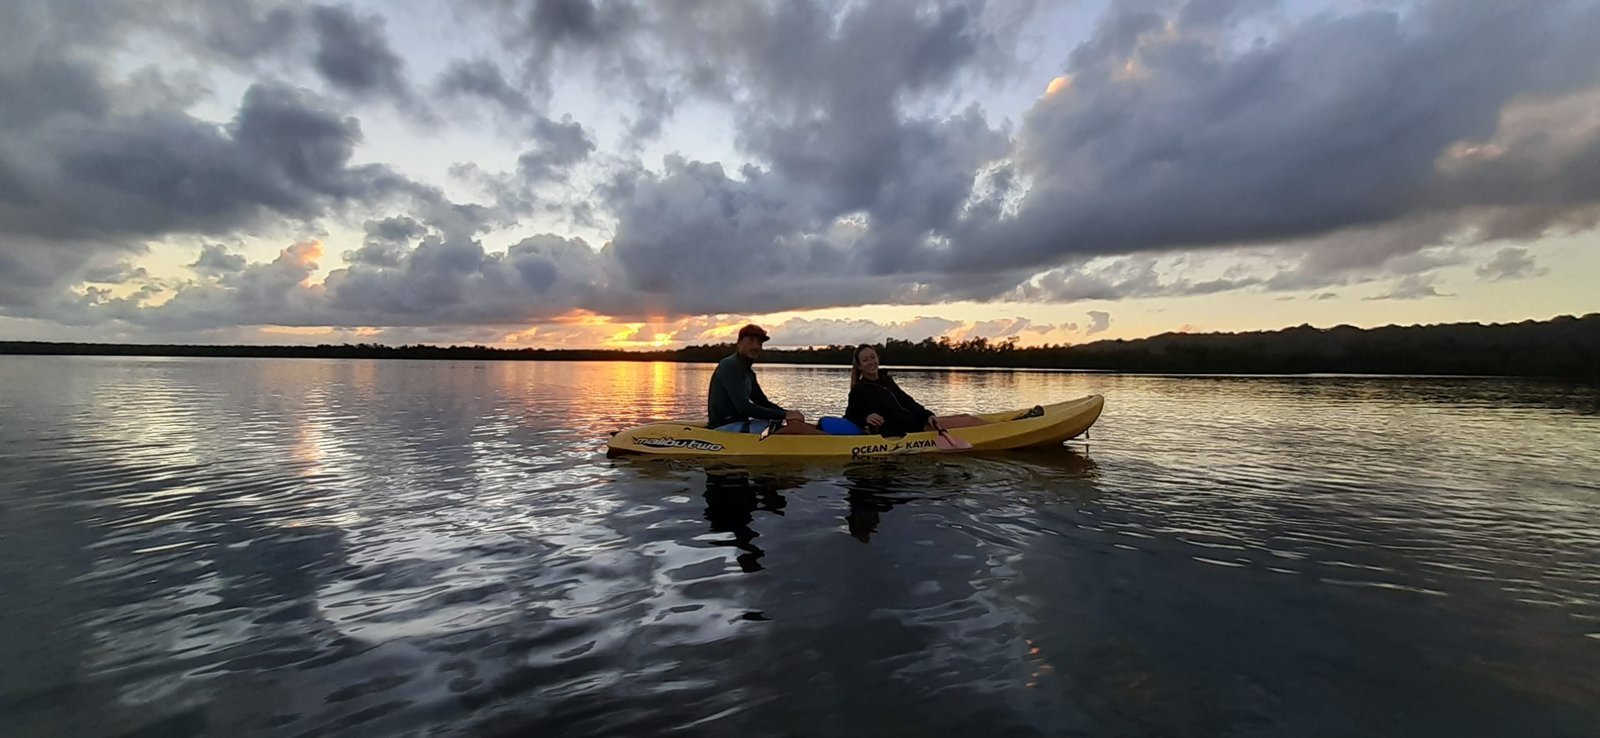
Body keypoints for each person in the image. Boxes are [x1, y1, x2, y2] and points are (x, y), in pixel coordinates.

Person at [843, 344, 992, 436]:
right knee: (969, 421)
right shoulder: (859, 390)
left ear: (878, 358)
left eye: (872, 357)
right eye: (865, 360)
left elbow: (907, 401)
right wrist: (866, 418)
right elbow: (850, 416)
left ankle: (1001, 427)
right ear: (859, 366)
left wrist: (927, 415)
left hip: (916, 421)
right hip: (908, 429)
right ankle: (1002, 430)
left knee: (964, 416)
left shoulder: (886, 380)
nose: (871, 362)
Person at [707, 324, 825, 434]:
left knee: (792, 424)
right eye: (750, 341)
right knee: (793, 428)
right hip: (724, 429)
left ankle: (828, 438)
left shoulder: (748, 372)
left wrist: (789, 413)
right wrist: (785, 415)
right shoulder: (730, 365)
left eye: (759, 342)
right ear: (739, 343)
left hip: (740, 424)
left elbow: (763, 403)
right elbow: (743, 408)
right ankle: (832, 444)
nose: (755, 346)